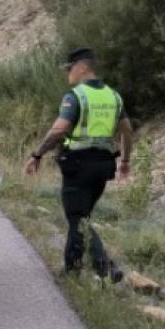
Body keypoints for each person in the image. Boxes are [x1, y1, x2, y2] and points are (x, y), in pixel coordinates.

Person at [24, 48, 131, 282]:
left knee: (78, 218)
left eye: (69, 68)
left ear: (83, 67)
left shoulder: (76, 96)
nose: (67, 74)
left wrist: (37, 154)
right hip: (103, 167)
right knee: (80, 217)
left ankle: (107, 267)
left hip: (79, 165)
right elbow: (127, 131)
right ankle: (71, 269)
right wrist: (125, 161)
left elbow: (59, 130)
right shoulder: (113, 96)